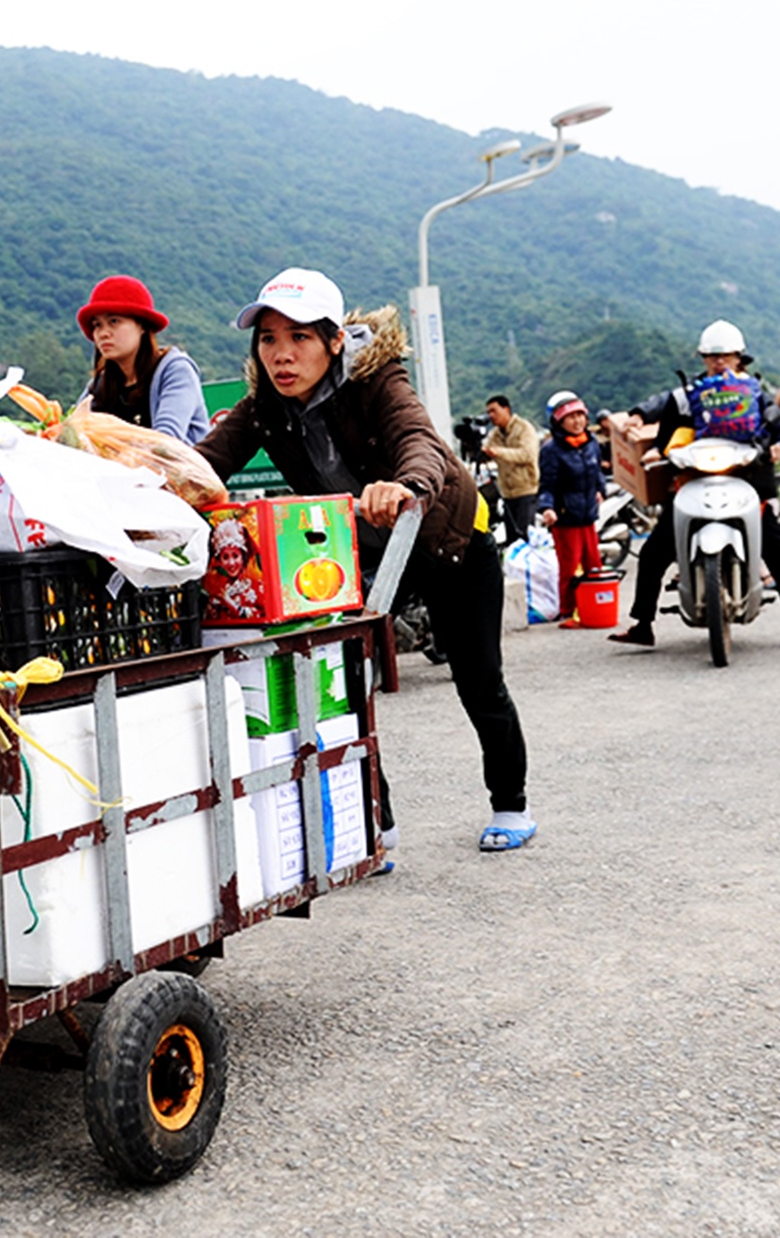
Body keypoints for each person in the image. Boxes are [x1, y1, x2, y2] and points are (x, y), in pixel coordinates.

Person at [195, 268, 534, 853]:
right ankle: (375, 825)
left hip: (446, 539)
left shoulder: (379, 381)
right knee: (344, 684)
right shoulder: (264, 407)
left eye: (299, 337)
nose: (282, 355)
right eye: (269, 339)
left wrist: (404, 485)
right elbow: (204, 465)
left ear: (333, 340)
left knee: (479, 681)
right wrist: (155, 482)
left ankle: (511, 805)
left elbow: (418, 440)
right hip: (357, 556)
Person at [606, 319, 780, 649]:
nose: (719, 362)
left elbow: (775, 422)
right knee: (654, 552)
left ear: (739, 357)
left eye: (725, 355)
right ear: (702, 359)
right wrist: (639, 415)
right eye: (712, 356)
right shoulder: (690, 393)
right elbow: (664, 408)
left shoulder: (754, 392)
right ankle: (642, 623)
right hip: (693, 480)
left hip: (747, 479)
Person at [75, 275, 210, 445]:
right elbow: (72, 434)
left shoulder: (175, 370)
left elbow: (166, 440)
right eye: (97, 325)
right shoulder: (99, 385)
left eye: (114, 321)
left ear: (143, 326)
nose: (103, 333)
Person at [536, 392, 602, 627]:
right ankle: (568, 610)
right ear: (558, 422)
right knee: (570, 567)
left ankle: (595, 606)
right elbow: (547, 484)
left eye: (580, 416)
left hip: (587, 515)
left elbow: (597, 473)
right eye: (570, 417)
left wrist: (599, 490)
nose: (577, 422)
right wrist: (547, 508)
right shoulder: (551, 450)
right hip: (565, 517)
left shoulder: (591, 443)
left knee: (594, 564)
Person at [481, 395, 540, 542]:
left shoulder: (524, 428)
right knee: (512, 539)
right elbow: (486, 451)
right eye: (488, 412)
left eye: (494, 411)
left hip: (526, 491)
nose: (491, 416)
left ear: (506, 409)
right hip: (507, 494)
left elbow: (527, 455)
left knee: (525, 537)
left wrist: (498, 452)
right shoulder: (495, 434)